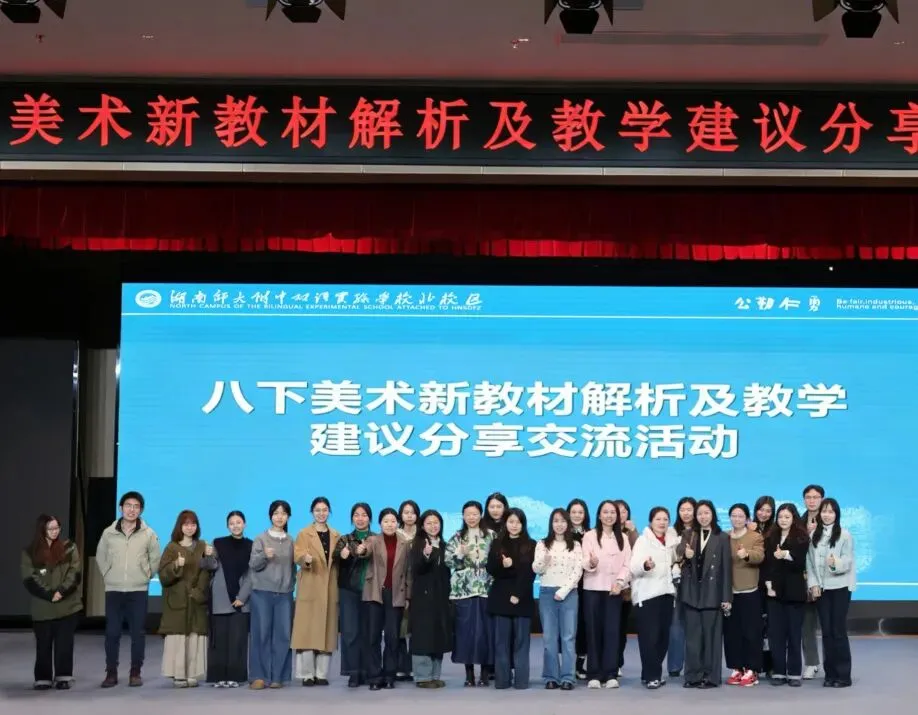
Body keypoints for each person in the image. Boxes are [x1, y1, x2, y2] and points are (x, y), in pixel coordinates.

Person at [96, 490, 160, 688]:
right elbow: (101, 556)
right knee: (112, 633)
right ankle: (111, 673)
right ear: (121, 508)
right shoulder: (109, 533)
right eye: (128, 506)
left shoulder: (148, 534)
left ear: (141, 510)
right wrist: (108, 574)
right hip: (114, 589)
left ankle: (135, 672)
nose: (132, 510)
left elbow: (155, 559)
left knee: (137, 633)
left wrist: (145, 575)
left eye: (136, 507)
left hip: (138, 590)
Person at [21, 514, 82, 690]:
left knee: (64, 644)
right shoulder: (29, 553)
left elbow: (75, 573)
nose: (55, 531)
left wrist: (61, 591)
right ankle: (43, 678)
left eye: (57, 528)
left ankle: (63, 676)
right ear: (42, 530)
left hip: (68, 606)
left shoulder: (69, 548)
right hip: (43, 607)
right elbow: (29, 579)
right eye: (51, 529)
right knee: (43, 645)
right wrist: (49, 594)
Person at [678, 499, 731, 688]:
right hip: (692, 593)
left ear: (713, 515)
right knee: (693, 638)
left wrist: (726, 597)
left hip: (713, 594)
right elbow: (679, 551)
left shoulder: (722, 537)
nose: (703, 516)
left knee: (711, 639)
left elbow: (726, 569)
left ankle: (711, 677)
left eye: (706, 513)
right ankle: (692, 676)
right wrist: (685, 553)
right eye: (699, 513)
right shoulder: (688, 534)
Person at [580, 499, 631, 689]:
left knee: (612, 632)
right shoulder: (590, 536)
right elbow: (584, 560)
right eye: (605, 512)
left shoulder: (623, 538)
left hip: (613, 591)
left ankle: (610, 673)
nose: (609, 515)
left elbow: (627, 564)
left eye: (612, 512)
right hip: (593, 589)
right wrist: (591, 563)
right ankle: (594, 673)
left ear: (617, 516)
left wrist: (620, 582)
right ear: (599, 515)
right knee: (593, 631)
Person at [158, 510, 211, 688]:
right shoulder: (171, 548)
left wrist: (199, 591)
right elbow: (163, 575)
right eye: (186, 524)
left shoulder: (203, 546)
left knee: (195, 635)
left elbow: (207, 572)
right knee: (178, 637)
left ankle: (192, 673)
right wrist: (175, 565)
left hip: (196, 599)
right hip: (177, 600)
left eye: (193, 524)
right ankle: (179, 674)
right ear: (180, 526)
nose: (190, 527)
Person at [533, 507, 583, 691]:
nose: (559, 524)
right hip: (547, 593)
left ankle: (568, 677)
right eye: (556, 521)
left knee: (568, 637)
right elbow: (536, 569)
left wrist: (564, 591)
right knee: (549, 637)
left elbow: (578, 570)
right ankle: (551, 677)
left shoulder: (575, 545)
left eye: (563, 521)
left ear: (568, 524)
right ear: (551, 524)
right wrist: (544, 561)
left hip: (569, 594)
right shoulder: (542, 544)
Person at [446, 500, 495, 687]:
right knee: (465, 632)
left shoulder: (491, 535)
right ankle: (469, 674)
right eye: (468, 514)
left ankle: (485, 674)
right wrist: (459, 554)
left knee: (485, 632)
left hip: (486, 590)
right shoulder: (457, 537)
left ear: (481, 515)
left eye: (475, 514)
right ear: (463, 516)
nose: (471, 517)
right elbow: (449, 563)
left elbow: (497, 561)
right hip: (463, 591)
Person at [808, 497, 855, 688]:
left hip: (840, 588)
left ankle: (843, 675)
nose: (827, 515)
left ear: (836, 514)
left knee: (838, 631)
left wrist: (836, 564)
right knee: (826, 632)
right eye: (824, 511)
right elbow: (809, 562)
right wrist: (813, 584)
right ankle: (830, 674)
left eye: (830, 512)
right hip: (821, 589)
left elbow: (848, 560)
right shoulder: (814, 535)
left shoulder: (844, 535)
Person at [292, 497, 340, 686]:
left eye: (325, 510)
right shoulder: (304, 533)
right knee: (308, 631)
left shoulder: (336, 535)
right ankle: (307, 674)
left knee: (327, 631)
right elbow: (297, 554)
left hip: (329, 587)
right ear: (312, 512)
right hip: (310, 585)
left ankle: (321, 673)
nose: (321, 513)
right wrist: (305, 558)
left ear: (329, 512)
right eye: (318, 510)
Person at [629, 506, 678, 689]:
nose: (662, 522)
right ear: (651, 522)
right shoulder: (643, 541)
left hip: (667, 593)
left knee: (663, 638)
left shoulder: (672, 541)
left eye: (665, 519)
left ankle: (648, 672)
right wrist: (646, 565)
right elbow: (634, 567)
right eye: (658, 519)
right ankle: (652, 675)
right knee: (649, 638)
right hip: (647, 594)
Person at [487, 507, 536, 690]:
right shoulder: (497, 543)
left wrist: (517, 594)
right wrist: (503, 564)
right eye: (511, 522)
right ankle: (502, 680)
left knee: (521, 643)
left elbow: (529, 573)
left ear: (523, 524)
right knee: (501, 643)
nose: (514, 525)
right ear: (505, 523)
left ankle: (522, 681)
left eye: (518, 522)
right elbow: (491, 569)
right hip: (500, 598)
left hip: (522, 598)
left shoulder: (531, 544)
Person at [202, 510, 252, 688]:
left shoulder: (251, 545)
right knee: (219, 640)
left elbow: (252, 574)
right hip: (220, 598)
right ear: (227, 526)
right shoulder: (219, 543)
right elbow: (210, 566)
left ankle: (236, 676)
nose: (235, 526)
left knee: (238, 640)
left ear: (244, 524)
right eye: (232, 523)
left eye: (238, 522)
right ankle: (218, 676)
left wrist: (242, 597)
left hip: (241, 600)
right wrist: (208, 555)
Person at [248, 500, 295, 690]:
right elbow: (253, 564)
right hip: (262, 593)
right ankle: (259, 676)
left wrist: (290, 585)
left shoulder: (291, 541)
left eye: (283, 513)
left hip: (284, 594)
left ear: (288, 517)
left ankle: (278, 676)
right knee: (261, 634)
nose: (279, 517)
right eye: (276, 513)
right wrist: (263, 556)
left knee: (283, 636)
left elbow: (294, 567)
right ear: (270, 516)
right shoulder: (261, 539)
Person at [763, 503, 810, 687]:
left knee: (794, 634)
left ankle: (794, 673)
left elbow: (801, 563)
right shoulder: (770, 537)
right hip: (774, 592)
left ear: (793, 519)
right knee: (776, 634)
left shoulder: (801, 538)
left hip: (794, 592)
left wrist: (787, 555)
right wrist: (768, 584)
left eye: (787, 517)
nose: (783, 520)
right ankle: (779, 671)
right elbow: (766, 564)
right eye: (780, 517)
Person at [363, 507, 410, 690]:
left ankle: (389, 675)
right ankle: (375, 676)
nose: (390, 524)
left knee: (392, 637)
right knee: (373, 637)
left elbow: (408, 572)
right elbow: (365, 552)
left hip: (396, 593)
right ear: (380, 524)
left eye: (393, 521)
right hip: (376, 592)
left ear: (397, 523)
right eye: (386, 521)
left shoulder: (404, 543)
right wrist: (361, 549)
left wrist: (408, 596)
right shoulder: (373, 540)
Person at [409, 509, 452, 689]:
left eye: (436, 523)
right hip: (423, 597)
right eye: (429, 523)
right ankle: (422, 676)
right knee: (423, 636)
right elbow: (416, 569)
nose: (433, 526)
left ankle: (435, 675)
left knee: (438, 635)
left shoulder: (445, 545)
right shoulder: (417, 544)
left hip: (441, 597)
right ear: (422, 526)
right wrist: (426, 555)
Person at [334, 502, 375, 687]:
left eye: (364, 515)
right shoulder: (344, 539)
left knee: (369, 632)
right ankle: (353, 672)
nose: (360, 518)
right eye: (356, 515)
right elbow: (335, 558)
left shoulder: (376, 539)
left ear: (370, 518)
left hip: (370, 591)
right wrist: (344, 555)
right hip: (348, 590)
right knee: (350, 632)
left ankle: (368, 670)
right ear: (352, 518)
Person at [724, 503, 765, 687]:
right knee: (732, 633)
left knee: (751, 633)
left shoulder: (755, 536)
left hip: (749, 591)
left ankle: (751, 669)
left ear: (747, 519)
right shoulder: (724, 537)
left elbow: (759, 556)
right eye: (734, 515)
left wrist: (746, 554)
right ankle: (736, 668)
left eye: (741, 516)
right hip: (729, 593)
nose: (737, 519)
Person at [668, 496, 696, 678]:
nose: (685, 513)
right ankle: (674, 666)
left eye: (689, 509)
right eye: (682, 510)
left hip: (696, 583)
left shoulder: (702, 531)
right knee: (676, 625)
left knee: (693, 625)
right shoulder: (671, 531)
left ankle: (693, 665)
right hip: (675, 582)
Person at [801, 484, 825, 679]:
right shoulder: (798, 521)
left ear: (822, 499)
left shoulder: (830, 520)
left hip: (827, 581)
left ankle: (831, 663)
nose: (812, 500)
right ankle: (811, 663)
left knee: (829, 626)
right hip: (804, 580)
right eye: (808, 497)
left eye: (815, 497)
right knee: (806, 625)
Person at [395, 499, 420, 682]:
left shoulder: (423, 534)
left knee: (416, 629)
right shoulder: (395, 534)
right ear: (400, 515)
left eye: (412, 512)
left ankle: (414, 667)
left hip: (419, 586)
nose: (409, 516)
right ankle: (401, 666)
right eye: (406, 512)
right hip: (399, 586)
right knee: (399, 628)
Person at [751, 495, 776, 676]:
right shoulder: (747, 528)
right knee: (755, 626)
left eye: (768, 511)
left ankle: (771, 665)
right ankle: (756, 664)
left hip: (769, 584)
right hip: (752, 583)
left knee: (771, 626)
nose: (764, 514)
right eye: (761, 510)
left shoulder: (775, 530)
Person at [566, 498, 590, 680]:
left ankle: (580, 664)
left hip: (587, 585)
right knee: (567, 626)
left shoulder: (591, 535)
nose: (576, 515)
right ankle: (566, 665)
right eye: (573, 512)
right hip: (566, 586)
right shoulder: (562, 535)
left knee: (583, 624)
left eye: (580, 512)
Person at [615, 500, 638, 678]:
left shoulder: (631, 533)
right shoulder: (602, 532)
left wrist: (633, 531)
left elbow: (638, 553)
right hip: (604, 587)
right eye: (617, 511)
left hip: (625, 591)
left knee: (621, 628)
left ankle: (617, 662)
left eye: (624, 511)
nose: (621, 514)